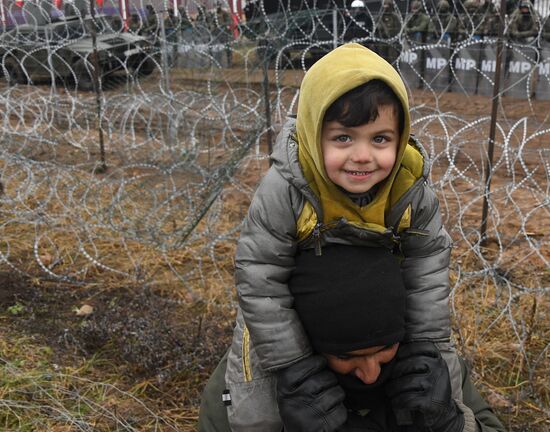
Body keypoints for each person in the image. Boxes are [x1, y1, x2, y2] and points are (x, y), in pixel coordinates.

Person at [201, 43, 463, 431]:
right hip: (297, 308)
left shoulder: (409, 186)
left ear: (401, 136)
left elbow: (427, 267)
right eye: (343, 138)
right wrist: (293, 365)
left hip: (376, 310)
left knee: (443, 379)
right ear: (313, 133)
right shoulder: (287, 188)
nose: (363, 156)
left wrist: (424, 346)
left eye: (380, 139)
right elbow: (260, 277)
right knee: (259, 397)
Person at [198, 246, 506, 431]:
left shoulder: (424, 362)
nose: (371, 373)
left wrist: (451, 424)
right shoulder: (251, 386)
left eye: (386, 348)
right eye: (346, 356)